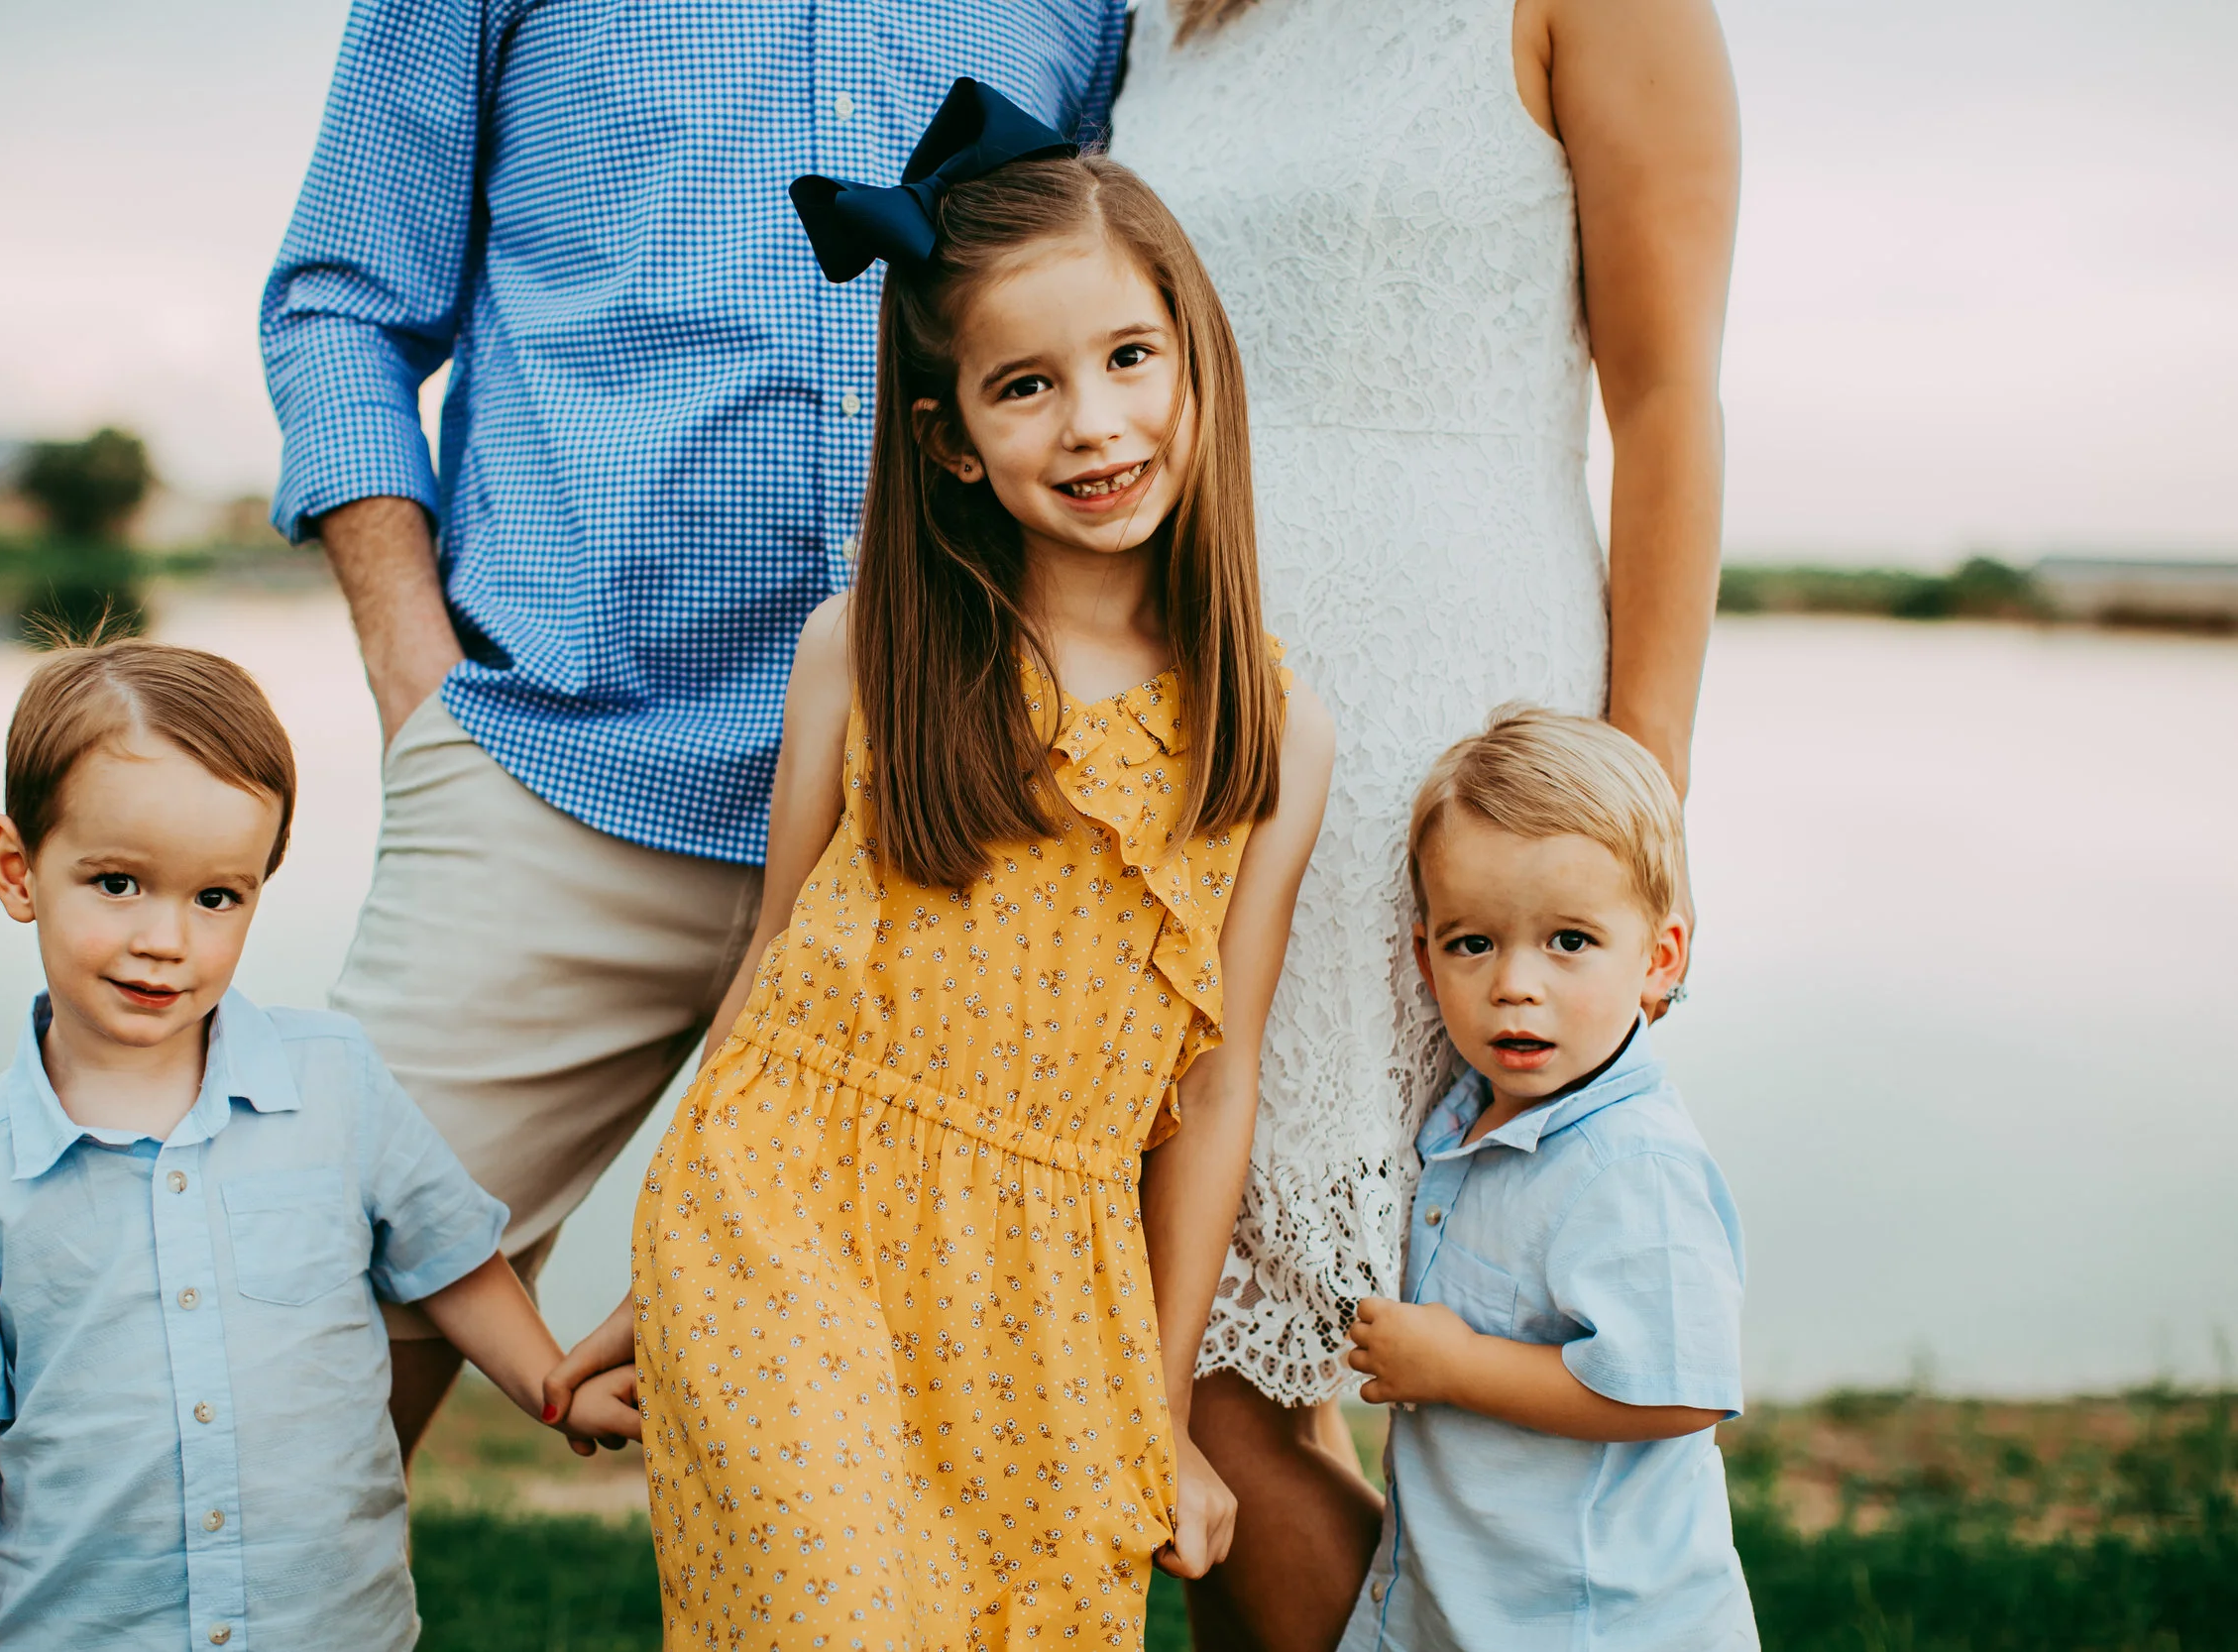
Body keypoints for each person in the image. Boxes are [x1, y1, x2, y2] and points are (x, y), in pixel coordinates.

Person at [259, 0, 1131, 1462]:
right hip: (554, 779)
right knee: (287, 1368)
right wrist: (420, 691)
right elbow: (342, 300)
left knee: (918, 1452)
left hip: (936, 827)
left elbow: (1104, 307)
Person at [538, 81, 1335, 1643]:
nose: (1094, 422)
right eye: (1024, 386)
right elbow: (770, 967)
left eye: (1129, 360)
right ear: (950, 439)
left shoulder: (1270, 730)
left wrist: (1157, 1404)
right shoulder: (869, 650)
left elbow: (1215, 1083)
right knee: (827, 1613)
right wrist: (670, 1273)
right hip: (783, 1224)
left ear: (1198, 366)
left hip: (1049, 1294)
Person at [1107, 2, 1741, 1638]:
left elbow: (1668, 401)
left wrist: (1634, 805)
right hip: (1191, 734)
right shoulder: (1163, 28)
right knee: (1193, 1336)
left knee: (1288, 1347)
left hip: (1436, 744)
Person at [0, 640, 626, 1652]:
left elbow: (451, 1260)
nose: (166, 937)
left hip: (333, 1626)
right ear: (16, 867)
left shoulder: (334, 1079)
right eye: (118, 882)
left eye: (216, 897)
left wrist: (552, 1387)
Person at [1340, 706, 1752, 1650]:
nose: (1515, 983)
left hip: (1591, 1623)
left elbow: (1673, 1389)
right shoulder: (1464, 1114)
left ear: (1659, 959)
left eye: (1569, 941)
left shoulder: (1631, 1163)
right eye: (1472, 943)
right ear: (1423, 954)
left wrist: (1453, 1366)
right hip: (1468, 1603)